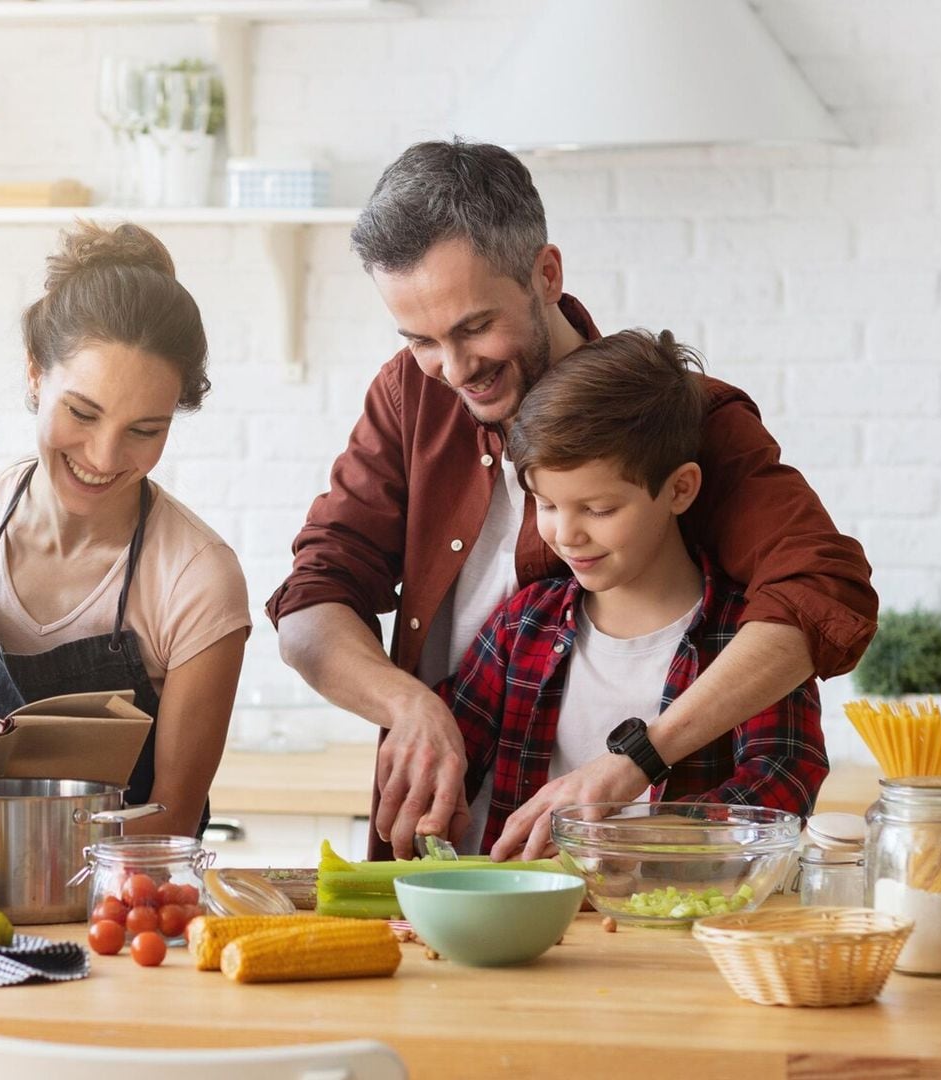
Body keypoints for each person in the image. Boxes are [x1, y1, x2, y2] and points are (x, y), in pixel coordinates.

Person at [267, 139, 876, 859]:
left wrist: (637, 765)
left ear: (546, 273)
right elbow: (310, 604)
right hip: (464, 869)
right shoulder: (410, 394)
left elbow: (822, 590)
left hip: (648, 888)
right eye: (420, 339)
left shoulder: (679, 418)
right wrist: (408, 706)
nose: (454, 369)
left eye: (474, 327)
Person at [0, 221, 251, 839]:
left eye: (144, 430)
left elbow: (173, 819)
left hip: (123, 906)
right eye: (83, 412)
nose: (103, 455)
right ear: (36, 374)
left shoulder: (196, 577)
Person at [442, 329, 828, 860]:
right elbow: (450, 758)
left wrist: (618, 844)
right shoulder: (520, 626)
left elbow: (781, 785)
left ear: (680, 489)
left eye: (599, 510)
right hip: (527, 924)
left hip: (678, 926)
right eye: (547, 505)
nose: (566, 535)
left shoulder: (748, 639)